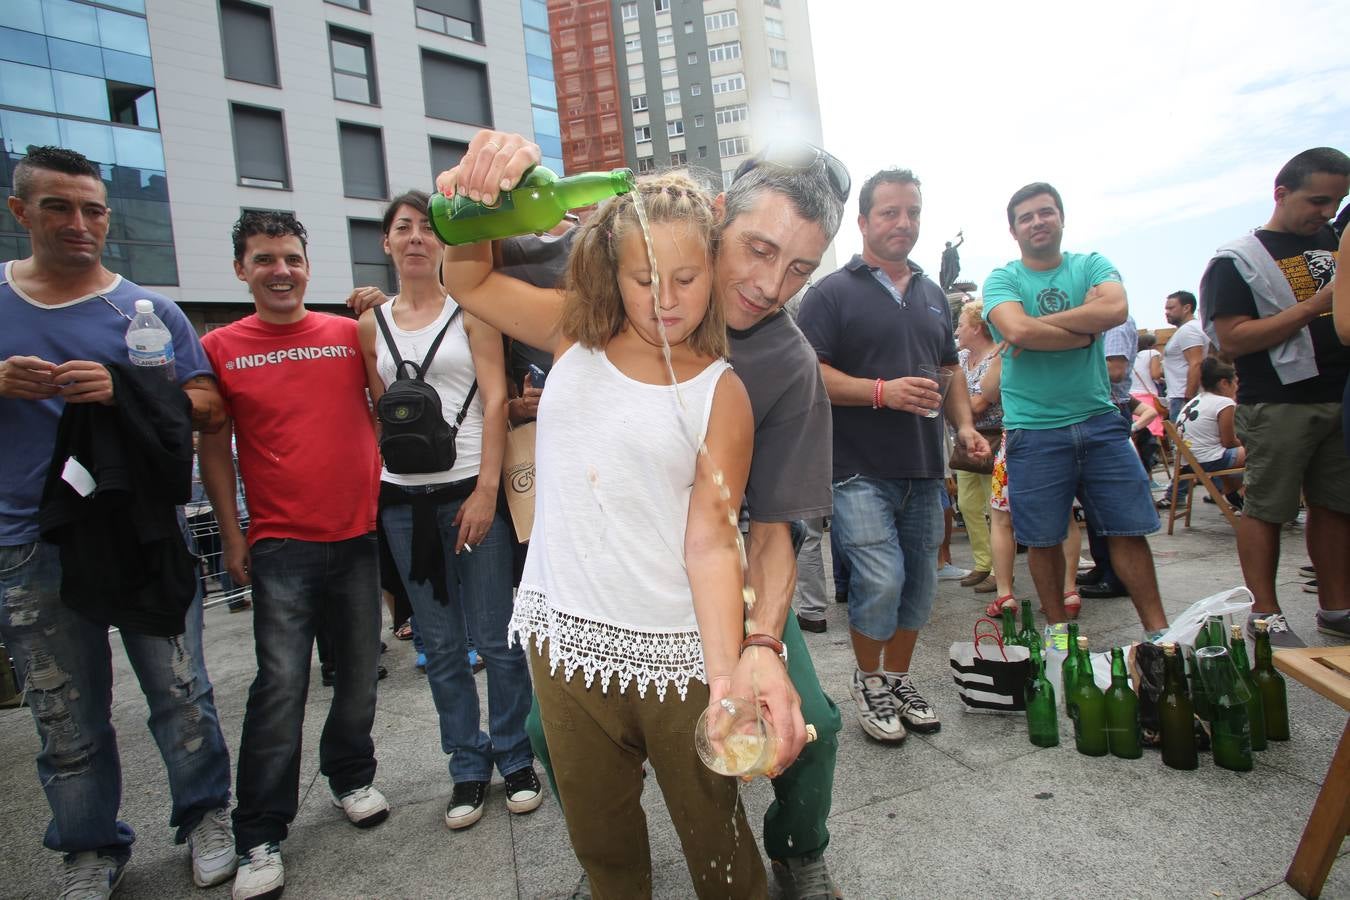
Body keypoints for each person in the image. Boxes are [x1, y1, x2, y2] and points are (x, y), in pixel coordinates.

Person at [422, 134, 848, 897]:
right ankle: (608, 858)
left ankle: (797, 849)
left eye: (799, 269)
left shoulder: (780, 368)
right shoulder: (612, 270)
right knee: (546, 738)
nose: (768, 283)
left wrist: (758, 649)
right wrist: (481, 183)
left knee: (807, 726)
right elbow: (468, 262)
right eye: (756, 249)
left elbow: (764, 532)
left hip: (716, 594)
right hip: (583, 596)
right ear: (716, 219)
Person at [0, 145, 236, 897]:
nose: (79, 223)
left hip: (140, 531)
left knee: (180, 688)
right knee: (64, 710)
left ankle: (205, 816)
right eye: (58, 207)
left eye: (93, 209)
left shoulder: (144, 310)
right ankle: (90, 848)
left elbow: (206, 406)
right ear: (20, 212)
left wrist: (127, 386)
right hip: (27, 541)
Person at [199, 211, 389, 900]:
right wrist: (232, 533)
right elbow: (213, 447)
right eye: (264, 259)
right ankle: (259, 833)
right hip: (280, 542)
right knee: (280, 687)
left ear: (308, 265)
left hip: (359, 533)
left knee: (362, 672)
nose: (280, 270)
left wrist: (379, 307)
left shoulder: (347, 334)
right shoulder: (219, 346)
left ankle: (351, 776)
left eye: (291, 258)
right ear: (241, 269)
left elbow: (392, 394)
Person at [355, 191, 541, 831]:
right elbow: (382, 409)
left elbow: (494, 402)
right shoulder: (368, 326)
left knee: (497, 637)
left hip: (469, 491)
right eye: (401, 229)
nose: (415, 238)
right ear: (386, 243)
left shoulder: (473, 313)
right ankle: (466, 766)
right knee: (438, 645)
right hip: (402, 500)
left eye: (426, 229)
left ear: (442, 243)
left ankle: (515, 757)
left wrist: (487, 490)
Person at [798, 168, 991, 744]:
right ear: (862, 222)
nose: (902, 223)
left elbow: (951, 370)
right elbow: (809, 373)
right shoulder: (831, 292)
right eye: (889, 212)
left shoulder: (933, 294)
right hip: (856, 467)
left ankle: (898, 678)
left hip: (926, 467)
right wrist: (881, 392)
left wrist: (963, 427)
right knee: (880, 578)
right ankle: (869, 679)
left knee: (918, 588)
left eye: (911, 212)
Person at [982, 182, 1167, 637]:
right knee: (1042, 540)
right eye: (1026, 217)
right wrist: (1085, 328)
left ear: (1062, 218)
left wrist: (1034, 325)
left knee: (1128, 532)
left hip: (1099, 420)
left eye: (1045, 212)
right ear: (1013, 230)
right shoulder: (1002, 278)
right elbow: (1014, 330)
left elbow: (1116, 307)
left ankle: (1160, 635)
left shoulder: (1091, 264)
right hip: (1034, 429)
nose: (1037, 222)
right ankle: (1061, 638)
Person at [1200, 147, 1350, 646]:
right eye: (1318, 200)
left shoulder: (1335, 239)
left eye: (1337, 201)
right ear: (1281, 194)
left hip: (1340, 393)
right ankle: (1265, 614)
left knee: (1335, 505)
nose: (1326, 212)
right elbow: (1233, 339)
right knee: (1266, 507)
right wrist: (1314, 306)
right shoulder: (1237, 259)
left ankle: (1336, 606)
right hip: (1281, 401)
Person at [954, 301, 1001, 594]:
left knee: (994, 506)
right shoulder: (960, 358)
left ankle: (999, 568)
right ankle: (982, 563)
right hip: (966, 440)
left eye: (960, 324)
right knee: (968, 504)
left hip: (992, 437)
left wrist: (956, 408)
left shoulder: (996, 356)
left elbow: (982, 402)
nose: (957, 330)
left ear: (977, 327)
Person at [1176, 356, 1246, 500]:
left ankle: (1233, 491)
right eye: (1235, 383)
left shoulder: (1195, 401)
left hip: (1188, 461)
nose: (1237, 388)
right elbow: (1229, 442)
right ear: (1224, 383)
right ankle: (1242, 493)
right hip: (1207, 460)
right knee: (1265, 452)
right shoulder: (1224, 403)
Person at [1162, 290, 1208, 421]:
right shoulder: (1195, 327)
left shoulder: (1188, 330)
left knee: (1183, 441)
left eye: (1171, 308)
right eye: (1166, 308)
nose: (1167, 312)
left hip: (1183, 396)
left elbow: (1196, 363)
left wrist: (1189, 398)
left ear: (1187, 308)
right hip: (1185, 395)